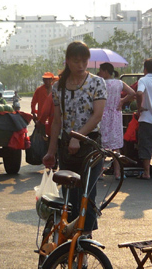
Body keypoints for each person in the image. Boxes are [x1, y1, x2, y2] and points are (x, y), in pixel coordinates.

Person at [42, 41, 107, 236]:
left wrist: (78, 137)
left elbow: (97, 115)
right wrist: (51, 152)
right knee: (70, 197)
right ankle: (71, 239)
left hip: (90, 146)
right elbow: (56, 122)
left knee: (87, 196)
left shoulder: (97, 83)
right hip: (66, 149)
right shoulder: (58, 87)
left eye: (84, 61)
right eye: (76, 61)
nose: (81, 65)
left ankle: (85, 242)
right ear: (68, 61)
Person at [97, 62, 136, 178]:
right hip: (115, 115)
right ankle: (118, 173)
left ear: (105, 71)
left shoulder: (100, 83)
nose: (99, 73)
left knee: (101, 146)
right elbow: (132, 93)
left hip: (102, 115)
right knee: (116, 146)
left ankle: (99, 173)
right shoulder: (119, 83)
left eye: (100, 70)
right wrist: (122, 101)